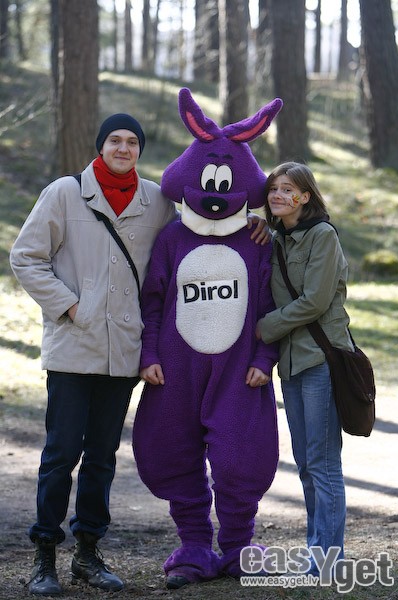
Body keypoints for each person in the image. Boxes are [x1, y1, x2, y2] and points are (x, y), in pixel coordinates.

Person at [9, 112, 269, 596]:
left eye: (132, 141)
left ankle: (88, 552)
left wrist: (254, 221)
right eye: (115, 140)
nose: (124, 148)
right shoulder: (64, 193)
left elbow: (204, 223)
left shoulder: (155, 201)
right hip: (74, 348)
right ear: (100, 145)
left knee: (102, 457)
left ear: (140, 150)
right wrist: (70, 306)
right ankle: (45, 554)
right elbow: (25, 257)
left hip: (124, 355)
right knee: (61, 453)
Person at [133, 88, 282, 589]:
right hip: (175, 367)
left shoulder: (257, 241)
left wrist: (264, 358)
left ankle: (239, 545)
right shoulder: (172, 238)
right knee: (173, 448)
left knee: (241, 453)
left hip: (240, 369)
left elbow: (270, 306)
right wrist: (149, 353)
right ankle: (194, 543)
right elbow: (154, 300)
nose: (216, 194)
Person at [256, 161, 350, 576]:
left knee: (323, 462)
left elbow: (315, 300)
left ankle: (327, 560)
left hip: (321, 361)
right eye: (273, 188)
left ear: (305, 197)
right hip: (291, 365)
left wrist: (265, 327)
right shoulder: (276, 238)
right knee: (305, 462)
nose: (278, 195)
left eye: (287, 189)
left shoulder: (322, 235)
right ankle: (318, 551)